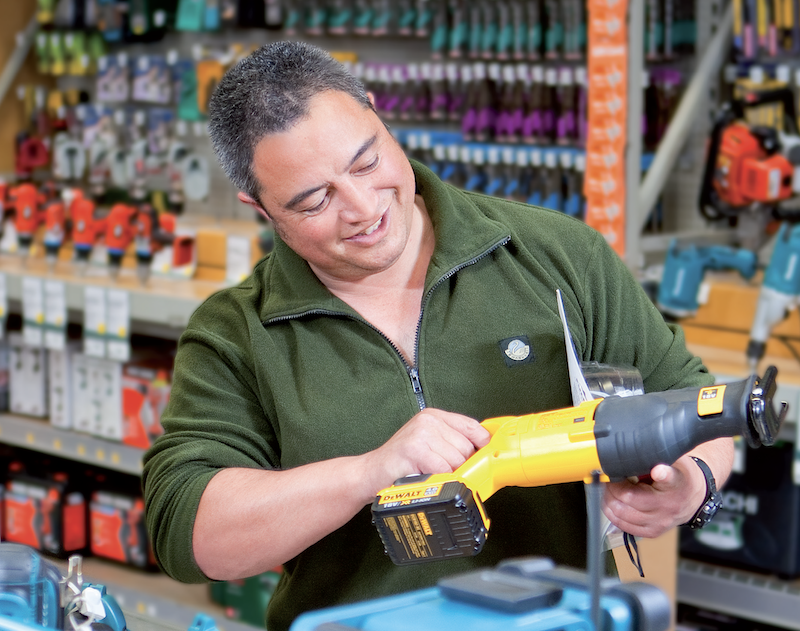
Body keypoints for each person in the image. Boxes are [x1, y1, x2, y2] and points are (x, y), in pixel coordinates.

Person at [142, 40, 734, 631]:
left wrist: (691, 483)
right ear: (260, 206)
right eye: (314, 199)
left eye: (366, 162)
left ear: (376, 113)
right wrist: (370, 471)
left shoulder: (555, 255)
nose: (361, 207)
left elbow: (692, 401)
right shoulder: (235, 332)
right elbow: (189, 535)